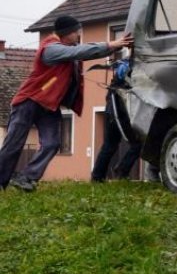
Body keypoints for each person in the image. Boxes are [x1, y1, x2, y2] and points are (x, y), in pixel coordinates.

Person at [0, 15, 133, 192]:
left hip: (49, 105)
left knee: (52, 143)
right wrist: (112, 44)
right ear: (66, 33)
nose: (79, 34)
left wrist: (116, 47)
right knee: (14, 144)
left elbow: (87, 51)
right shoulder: (51, 49)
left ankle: (27, 177)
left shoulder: (69, 47)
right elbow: (79, 52)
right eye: (76, 31)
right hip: (29, 101)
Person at [90, 58, 142, 182]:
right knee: (138, 144)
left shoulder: (126, 63)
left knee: (110, 145)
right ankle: (121, 170)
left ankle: (97, 177)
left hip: (113, 111)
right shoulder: (127, 66)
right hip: (119, 112)